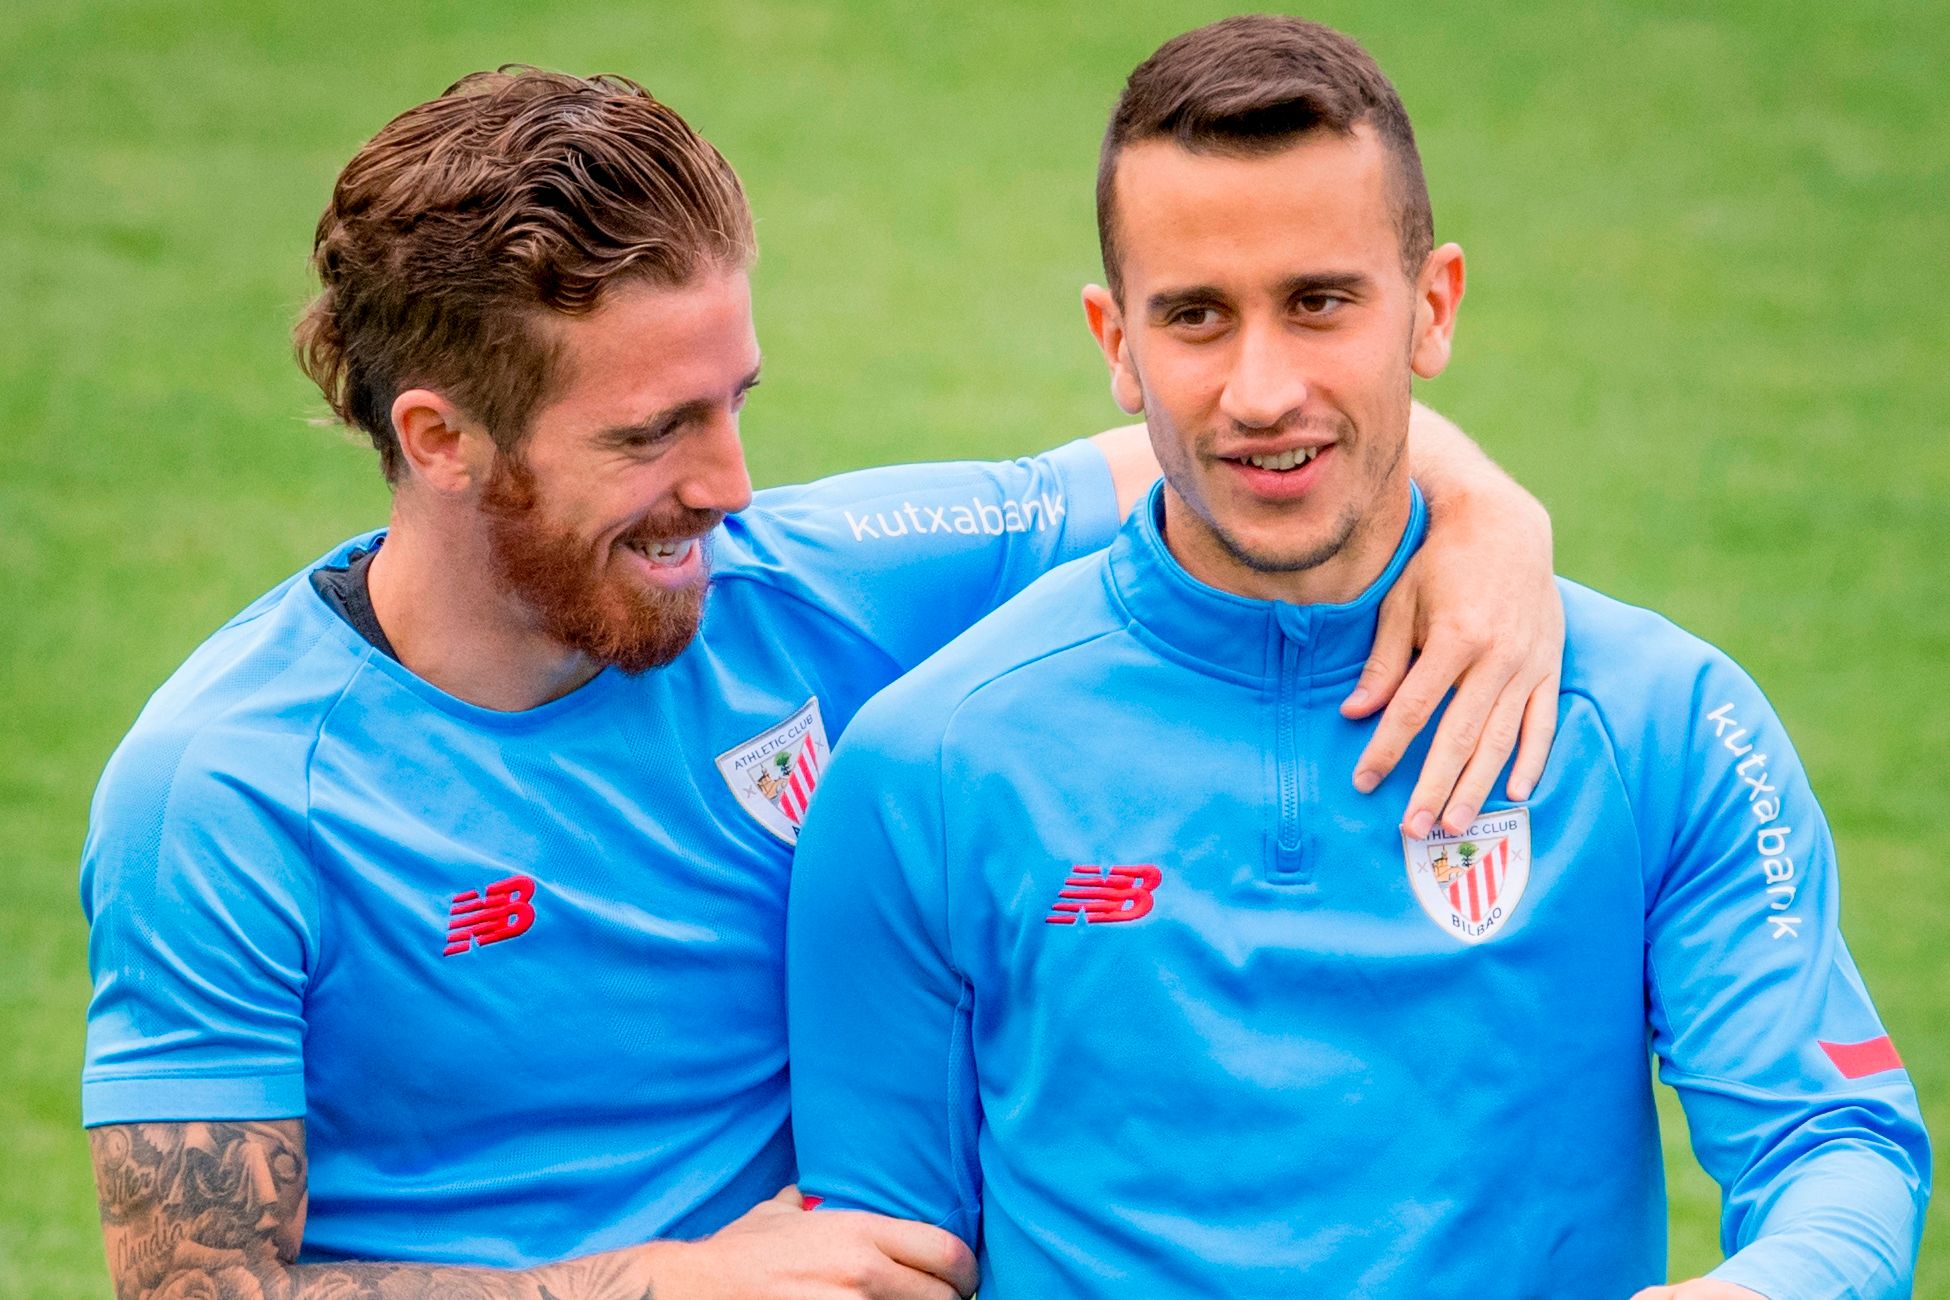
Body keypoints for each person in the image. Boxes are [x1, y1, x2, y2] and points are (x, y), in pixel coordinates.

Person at [77, 67, 1566, 1299]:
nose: (728, 488)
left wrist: (1498, 522)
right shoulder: (225, 792)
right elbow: (200, 1292)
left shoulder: (801, 582)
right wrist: (662, 1285)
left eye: (736, 404)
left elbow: (1225, 437)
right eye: (650, 433)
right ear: (445, 437)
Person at [785, 17, 1930, 1300]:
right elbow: (877, 1258)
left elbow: (1835, 1139)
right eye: (1197, 317)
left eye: (1319, 303)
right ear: (1117, 343)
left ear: (1430, 308)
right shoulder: (927, 763)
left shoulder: (1662, 720)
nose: (1262, 388)